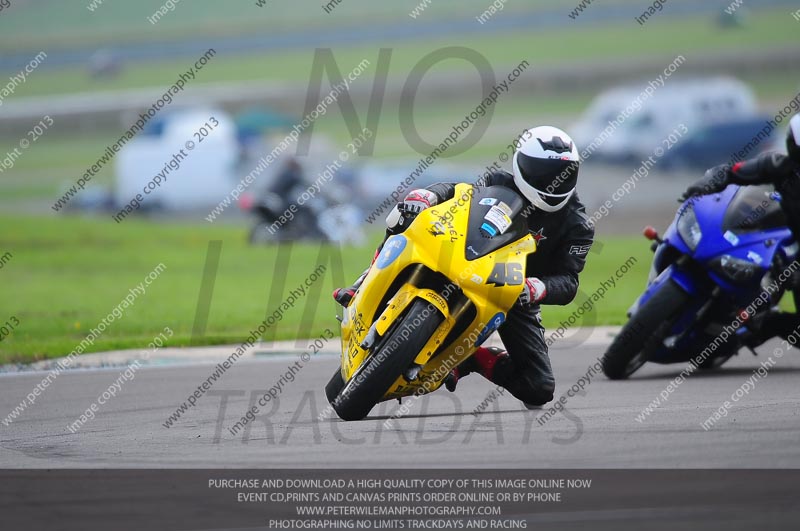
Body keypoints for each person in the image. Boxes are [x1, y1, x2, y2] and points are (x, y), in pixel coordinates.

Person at [333, 126, 595, 407]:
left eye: (563, 174)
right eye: (543, 172)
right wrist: (429, 196)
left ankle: (473, 358)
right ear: (521, 165)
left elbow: (569, 282)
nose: (553, 182)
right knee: (402, 216)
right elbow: (459, 193)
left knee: (539, 388)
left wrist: (537, 288)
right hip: (462, 253)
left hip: (513, 291)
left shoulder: (579, 226)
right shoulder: (499, 181)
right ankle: (362, 283)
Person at [681, 114, 800, 342]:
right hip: (770, 238)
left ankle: (763, 323)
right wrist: (707, 183)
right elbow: (731, 171)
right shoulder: (778, 165)